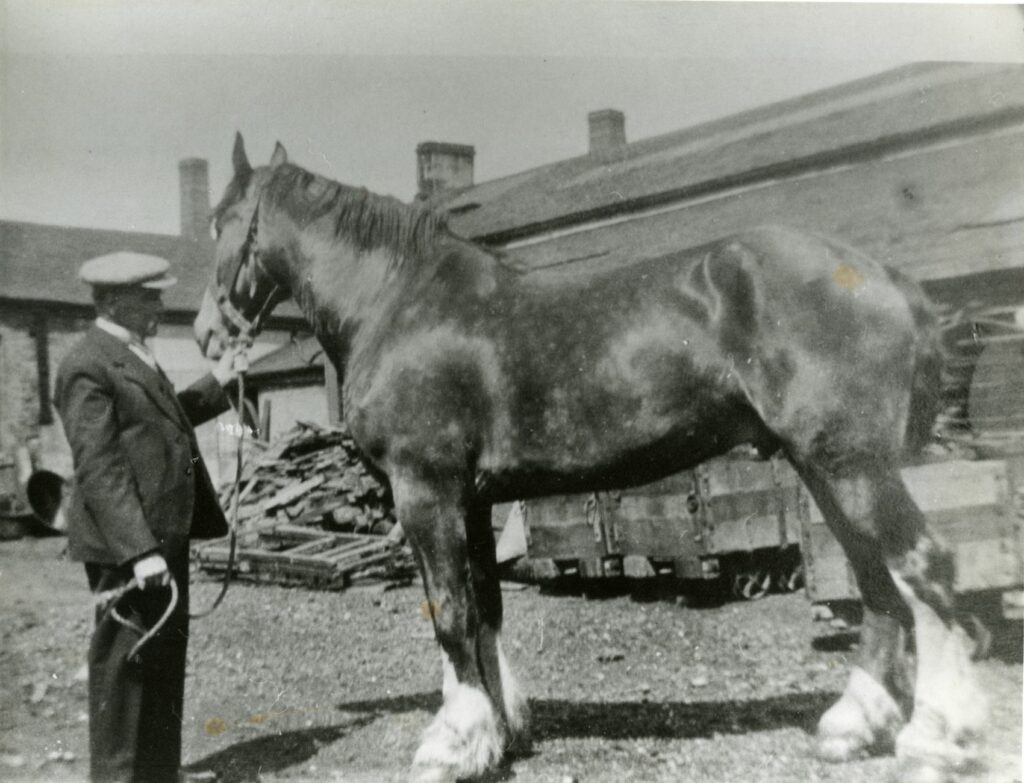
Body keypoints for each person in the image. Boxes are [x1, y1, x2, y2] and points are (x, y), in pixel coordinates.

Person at [54, 251, 242, 783]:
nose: (161, 303)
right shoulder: (86, 363)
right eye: (150, 295)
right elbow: (100, 465)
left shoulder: (132, 352)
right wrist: (139, 551)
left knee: (161, 659)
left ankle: (160, 773)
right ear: (115, 301)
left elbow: (165, 418)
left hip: (163, 535)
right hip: (129, 545)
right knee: (123, 666)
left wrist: (219, 381)